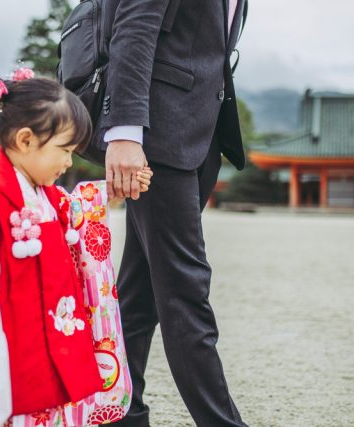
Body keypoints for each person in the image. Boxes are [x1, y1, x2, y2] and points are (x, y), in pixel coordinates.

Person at [0, 72, 152, 426]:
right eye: (65, 150)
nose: (68, 162)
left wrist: (109, 193)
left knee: (56, 400)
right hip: (15, 334)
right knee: (14, 402)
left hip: (55, 328)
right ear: (25, 140)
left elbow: (76, 213)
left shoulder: (48, 196)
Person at [95, 0, 250, 426]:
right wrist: (124, 132)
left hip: (198, 139)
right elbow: (134, 26)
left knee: (140, 293)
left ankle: (121, 414)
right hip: (155, 138)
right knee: (186, 290)